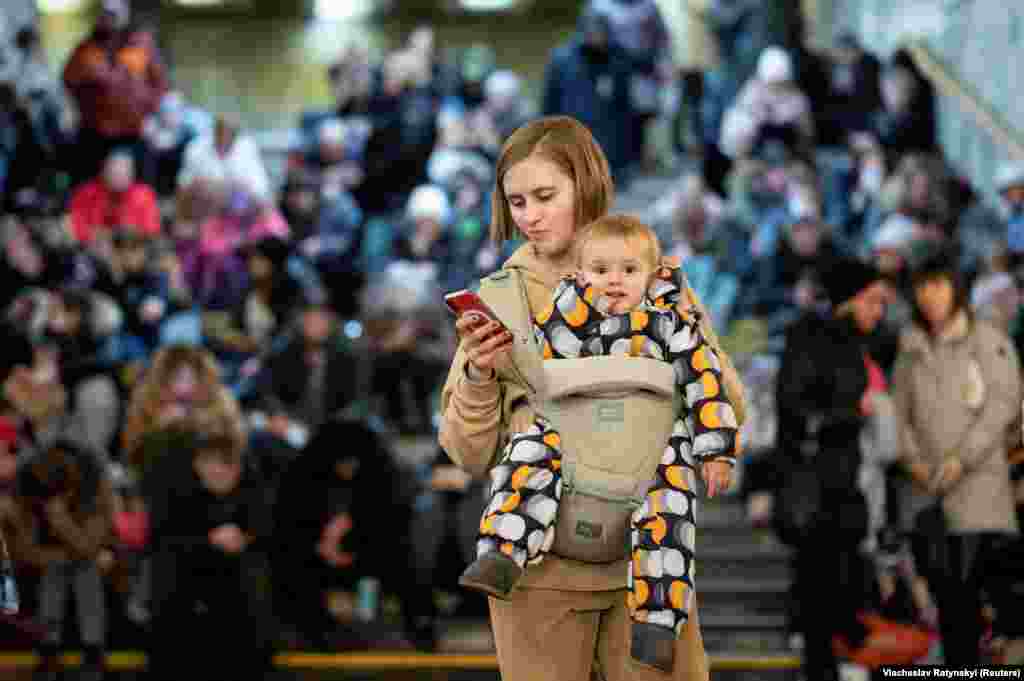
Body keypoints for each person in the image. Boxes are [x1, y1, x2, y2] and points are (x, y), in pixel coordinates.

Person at [439, 115, 741, 681]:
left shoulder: (659, 282)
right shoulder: (496, 300)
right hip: (538, 575)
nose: (529, 215)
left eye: (545, 196)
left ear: (587, 184)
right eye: (517, 201)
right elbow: (465, 451)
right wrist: (480, 376)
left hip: (650, 562)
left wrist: (670, 352)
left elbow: (728, 404)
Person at [891, 248, 1021, 666]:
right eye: (922, 288)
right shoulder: (909, 348)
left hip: (980, 497)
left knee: (980, 605)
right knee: (948, 607)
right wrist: (911, 459)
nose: (930, 296)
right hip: (926, 497)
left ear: (956, 291)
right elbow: (899, 411)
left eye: (938, 286)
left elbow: (1003, 405)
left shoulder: (989, 342)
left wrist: (960, 460)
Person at [774, 258, 890, 681]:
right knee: (820, 600)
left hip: (842, 491)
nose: (879, 312)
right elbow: (796, 409)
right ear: (851, 300)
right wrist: (853, 412)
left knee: (835, 598)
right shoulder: (812, 336)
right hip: (818, 493)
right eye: (874, 301)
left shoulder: (856, 342)